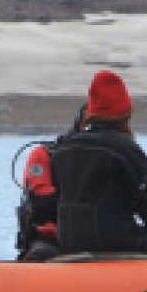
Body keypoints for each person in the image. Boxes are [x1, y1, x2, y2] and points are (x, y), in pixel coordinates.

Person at [50, 70, 147, 256]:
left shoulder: (63, 149)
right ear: (125, 113)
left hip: (68, 242)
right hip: (114, 241)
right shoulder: (124, 149)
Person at [15, 104, 87, 261]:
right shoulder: (44, 155)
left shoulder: (120, 156)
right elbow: (41, 201)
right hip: (50, 241)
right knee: (41, 253)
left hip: (100, 239)